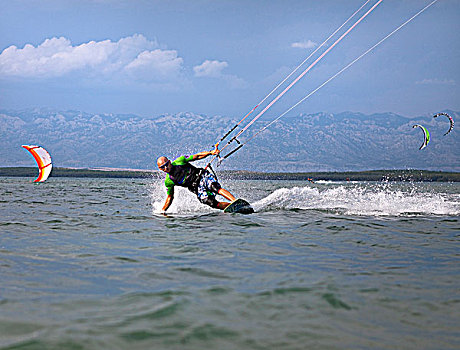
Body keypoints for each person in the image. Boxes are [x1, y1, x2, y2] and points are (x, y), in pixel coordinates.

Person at [157, 144, 236, 213]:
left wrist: (210, 153)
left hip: (202, 176)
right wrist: (163, 210)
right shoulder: (169, 181)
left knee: (214, 187)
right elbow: (170, 197)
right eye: (162, 167)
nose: (166, 168)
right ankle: (234, 207)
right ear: (160, 169)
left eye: (166, 164)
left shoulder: (180, 161)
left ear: (169, 162)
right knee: (211, 202)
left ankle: (234, 201)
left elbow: (197, 156)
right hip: (196, 187)